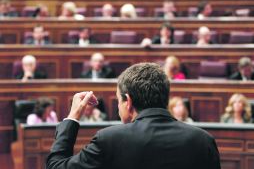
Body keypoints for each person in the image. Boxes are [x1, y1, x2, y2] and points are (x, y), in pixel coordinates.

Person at [46, 63, 221, 169]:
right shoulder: (203, 140)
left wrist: (72, 117)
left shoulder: (109, 139)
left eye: (118, 100)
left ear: (128, 101)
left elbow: (56, 166)